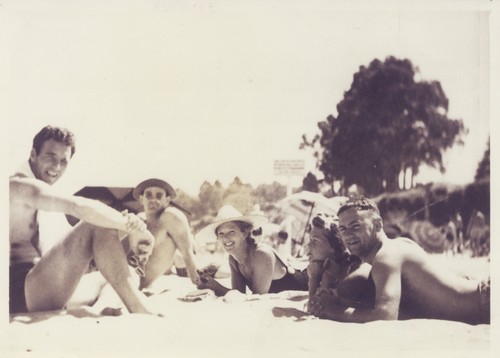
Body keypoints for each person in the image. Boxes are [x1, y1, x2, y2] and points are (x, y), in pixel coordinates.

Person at [10, 125, 157, 315]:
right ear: (33, 154)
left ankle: (100, 309)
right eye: (51, 156)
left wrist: (127, 228)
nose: (57, 167)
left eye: (64, 161)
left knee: (127, 272)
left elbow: (84, 244)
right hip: (20, 293)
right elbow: (79, 208)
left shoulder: (45, 194)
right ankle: (140, 310)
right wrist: (136, 229)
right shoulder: (19, 186)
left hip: (43, 287)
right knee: (95, 222)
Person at [308, 196, 490, 324]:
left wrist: (332, 310)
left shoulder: (386, 257)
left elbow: (385, 316)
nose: (348, 235)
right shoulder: (400, 245)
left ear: (378, 224)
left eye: (356, 226)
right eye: (343, 229)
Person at [195, 205, 308, 297]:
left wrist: (216, 287)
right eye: (221, 233)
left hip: (308, 285)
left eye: (231, 232)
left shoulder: (261, 254)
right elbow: (238, 295)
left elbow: (257, 299)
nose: (226, 238)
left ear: (244, 233)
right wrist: (210, 284)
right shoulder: (234, 259)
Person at [132, 178, 201, 289]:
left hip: (137, 283)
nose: (153, 200)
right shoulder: (139, 221)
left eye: (159, 196)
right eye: (149, 195)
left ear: (167, 200)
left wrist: (200, 284)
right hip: (124, 277)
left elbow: (188, 257)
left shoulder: (170, 217)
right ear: (141, 199)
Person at [306, 213, 371, 310]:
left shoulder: (351, 269)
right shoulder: (333, 266)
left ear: (334, 246)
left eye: (315, 240)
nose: (308, 245)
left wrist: (313, 279)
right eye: (310, 240)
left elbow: (315, 308)